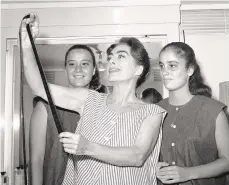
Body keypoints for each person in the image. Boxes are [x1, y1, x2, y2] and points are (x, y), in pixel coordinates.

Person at [20, 13, 166, 185]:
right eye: (110, 57)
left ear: (138, 70)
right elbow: (39, 87)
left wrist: (87, 147)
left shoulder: (152, 112)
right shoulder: (89, 99)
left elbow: (137, 156)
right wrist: (27, 43)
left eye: (121, 56)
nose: (111, 61)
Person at [29, 44, 105, 185]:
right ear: (65, 70)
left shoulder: (103, 107)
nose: (78, 69)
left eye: (85, 64)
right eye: (72, 64)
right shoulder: (44, 107)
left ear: (94, 70)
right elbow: (36, 160)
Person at [156, 42, 229, 185]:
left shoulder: (214, 111)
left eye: (172, 65)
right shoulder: (154, 111)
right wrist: (153, 167)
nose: (165, 72)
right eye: (162, 65)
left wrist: (188, 173)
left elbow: (227, 160)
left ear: (190, 69)